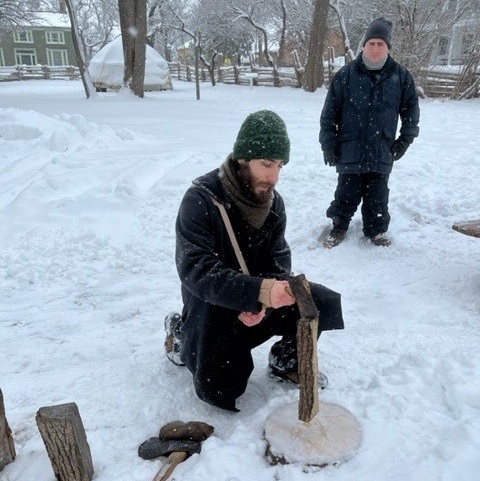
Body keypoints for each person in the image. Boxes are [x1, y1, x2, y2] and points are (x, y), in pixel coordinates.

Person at [165, 110, 344, 412]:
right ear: (242, 159)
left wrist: (266, 299)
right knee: (221, 391)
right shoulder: (200, 199)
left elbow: (279, 258)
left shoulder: (274, 203)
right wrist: (253, 293)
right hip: (213, 303)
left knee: (321, 302)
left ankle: (287, 358)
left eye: (279, 165)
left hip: (257, 300)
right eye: (266, 164)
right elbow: (196, 270)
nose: (273, 177)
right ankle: (182, 333)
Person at [319, 17, 420, 248]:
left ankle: (376, 230)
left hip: (382, 148)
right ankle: (339, 226)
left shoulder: (401, 77)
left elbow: (411, 112)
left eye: (380, 44)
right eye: (371, 43)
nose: (375, 48)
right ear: (363, 45)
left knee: (378, 195)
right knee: (346, 192)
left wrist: (405, 139)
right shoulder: (346, 75)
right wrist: (328, 143)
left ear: (388, 47)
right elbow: (329, 115)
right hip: (350, 147)